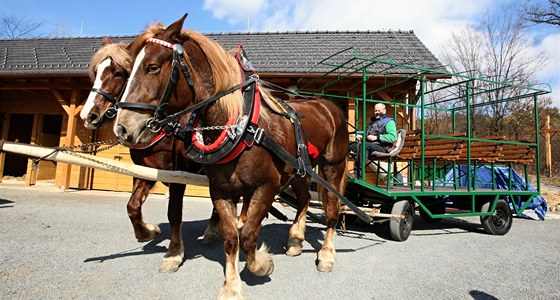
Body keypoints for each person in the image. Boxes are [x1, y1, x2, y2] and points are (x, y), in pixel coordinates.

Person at [349, 103, 397, 179]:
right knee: (349, 144)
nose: (377, 112)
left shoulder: (389, 122)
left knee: (364, 145)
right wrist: (362, 137)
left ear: (384, 111)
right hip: (370, 145)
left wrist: (377, 137)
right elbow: (368, 135)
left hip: (383, 147)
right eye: (375, 110)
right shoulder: (372, 123)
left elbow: (392, 137)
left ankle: (358, 175)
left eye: (379, 110)